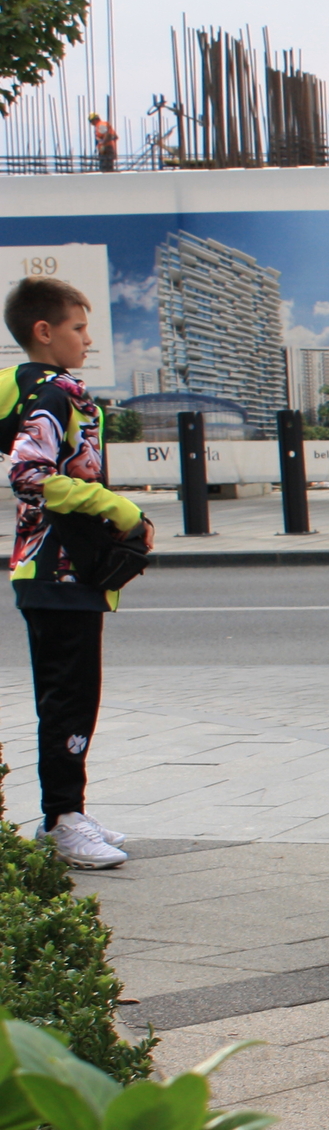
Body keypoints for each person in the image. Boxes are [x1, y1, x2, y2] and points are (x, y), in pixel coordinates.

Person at [3, 276, 152, 868]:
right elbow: (28, 473)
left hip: (56, 572)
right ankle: (63, 822)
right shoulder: (52, 394)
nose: (87, 340)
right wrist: (118, 508)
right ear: (45, 332)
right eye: (78, 328)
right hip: (56, 571)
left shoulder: (36, 390)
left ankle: (68, 812)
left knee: (69, 697)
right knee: (69, 700)